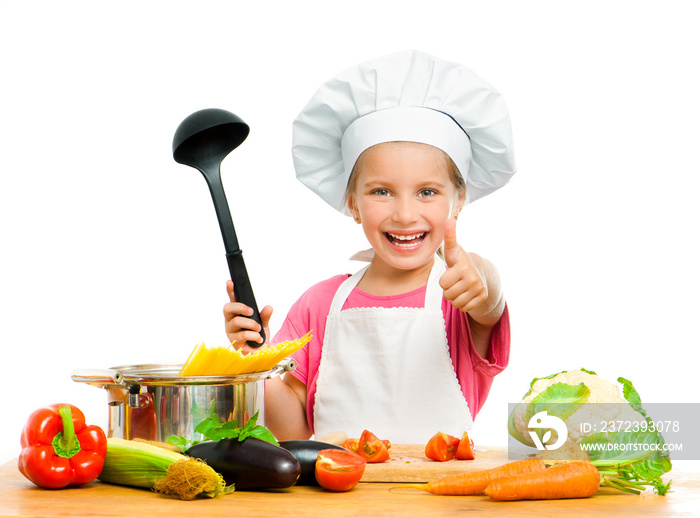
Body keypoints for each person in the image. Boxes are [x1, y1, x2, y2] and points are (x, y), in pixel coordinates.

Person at [224, 50, 516, 444]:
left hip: (439, 500)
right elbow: (290, 431)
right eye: (382, 192)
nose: (405, 214)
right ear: (353, 203)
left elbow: (489, 301)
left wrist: (484, 279)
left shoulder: (460, 296)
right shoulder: (318, 305)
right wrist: (256, 363)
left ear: (458, 200)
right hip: (339, 499)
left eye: (427, 192)